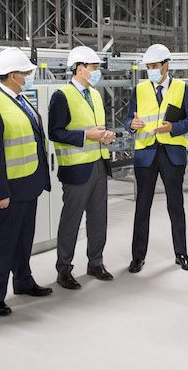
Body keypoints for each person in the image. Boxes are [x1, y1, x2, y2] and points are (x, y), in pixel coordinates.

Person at [0, 48, 53, 317]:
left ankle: (23, 280)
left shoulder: (21, 100)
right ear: (13, 75)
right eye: (27, 73)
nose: (30, 76)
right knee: (1, 243)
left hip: (28, 183)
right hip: (7, 189)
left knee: (24, 239)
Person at [123, 44, 188, 273]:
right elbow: (129, 120)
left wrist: (173, 127)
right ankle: (138, 257)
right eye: (148, 67)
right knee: (142, 207)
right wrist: (131, 125)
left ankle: (181, 254)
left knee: (176, 206)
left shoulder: (182, 88)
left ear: (166, 65)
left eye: (155, 66)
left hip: (172, 154)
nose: (151, 70)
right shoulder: (139, 89)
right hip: (145, 154)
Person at [48, 46, 116, 289]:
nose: (97, 72)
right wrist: (87, 135)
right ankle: (64, 269)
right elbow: (55, 132)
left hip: (98, 163)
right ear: (79, 68)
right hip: (76, 169)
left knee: (99, 218)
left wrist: (105, 135)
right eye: (93, 67)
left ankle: (95, 262)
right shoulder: (61, 95)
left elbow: (96, 127)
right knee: (72, 221)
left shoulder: (95, 94)